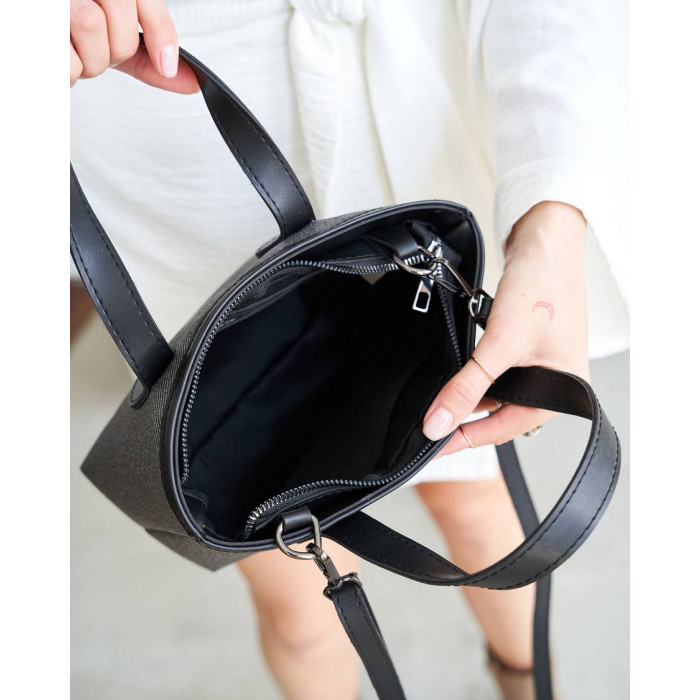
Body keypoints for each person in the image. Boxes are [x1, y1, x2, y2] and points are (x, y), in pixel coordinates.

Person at [70, 1, 629, 698]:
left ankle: (525, 683)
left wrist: (552, 221)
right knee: (297, 608)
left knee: (477, 511)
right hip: (141, 137)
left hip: (390, 108)